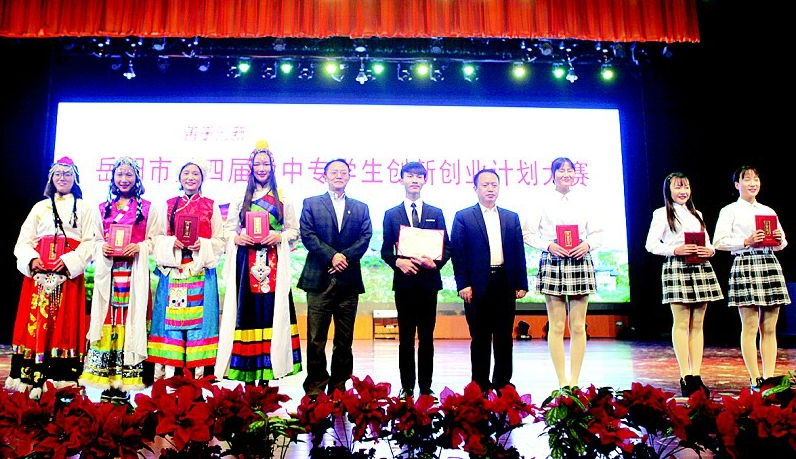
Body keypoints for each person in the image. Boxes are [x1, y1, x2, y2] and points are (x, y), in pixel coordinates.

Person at [215, 140, 303, 385]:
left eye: (266, 164)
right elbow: (228, 230)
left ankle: (268, 374)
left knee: (271, 313)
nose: (261, 168)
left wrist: (279, 236)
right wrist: (236, 238)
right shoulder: (240, 197)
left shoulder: (283, 197)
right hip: (246, 264)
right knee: (249, 313)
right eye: (257, 164)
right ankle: (248, 375)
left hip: (274, 261)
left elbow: (294, 230)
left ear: (272, 167)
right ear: (251, 167)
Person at [7, 157, 94, 399]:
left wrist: (69, 261)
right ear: (51, 178)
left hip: (67, 276)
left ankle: (61, 379)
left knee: (65, 324)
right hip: (39, 275)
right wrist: (32, 260)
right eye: (58, 174)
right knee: (35, 323)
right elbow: (24, 241)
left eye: (67, 174)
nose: (62, 178)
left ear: (75, 179)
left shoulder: (85, 209)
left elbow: (90, 242)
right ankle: (30, 379)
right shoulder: (40, 207)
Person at [79, 157, 161, 402]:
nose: (124, 179)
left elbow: (155, 241)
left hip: (134, 276)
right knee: (108, 321)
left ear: (137, 178)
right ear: (113, 178)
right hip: (109, 276)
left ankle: (126, 385)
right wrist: (101, 247)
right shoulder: (102, 208)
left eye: (129, 174)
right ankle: (107, 383)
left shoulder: (148, 208)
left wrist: (139, 247)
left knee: (131, 321)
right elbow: (94, 239)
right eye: (120, 174)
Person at [523, 157, 603, 389]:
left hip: (579, 259)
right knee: (556, 325)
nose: (566, 174)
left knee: (578, 326)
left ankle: (575, 380)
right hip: (553, 259)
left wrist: (587, 245)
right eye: (561, 170)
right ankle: (562, 381)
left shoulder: (585, 200)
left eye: (570, 170)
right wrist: (549, 245)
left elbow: (597, 233)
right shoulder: (541, 200)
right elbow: (527, 233)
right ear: (553, 174)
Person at [298, 158, 373, 399]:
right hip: (319, 279)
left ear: (349, 176)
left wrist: (344, 258)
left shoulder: (360, 207)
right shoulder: (311, 203)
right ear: (325, 176)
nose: (339, 175)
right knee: (315, 338)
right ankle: (315, 387)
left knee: (344, 340)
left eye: (343, 172)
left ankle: (339, 387)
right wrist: (332, 256)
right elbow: (308, 235)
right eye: (334, 172)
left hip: (348, 281)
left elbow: (365, 237)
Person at [645, 172, 724, 397]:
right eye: (678, 187)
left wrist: (710, 251)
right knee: (681, 323)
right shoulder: (661, 214)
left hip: (700, 266)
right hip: (676, 266)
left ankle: (696, 374)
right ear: (668, 191)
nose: (683, 191)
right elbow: (651, 245)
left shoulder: (697, 214)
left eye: (686, 187)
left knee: (698, 324)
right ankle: (685, 375)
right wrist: (675, 250)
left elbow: (708, 242)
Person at [450, 168, 527, 395]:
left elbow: (518, 252)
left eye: (494, 184)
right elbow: (458, 254)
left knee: (504, 337)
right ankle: (480, 384)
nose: (490, 189)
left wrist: (521, 283)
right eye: (485, 185)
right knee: (480, 337)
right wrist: (463, 284)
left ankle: (503, 383)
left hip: (504, 282)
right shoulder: (464, 217)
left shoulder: (511, 217)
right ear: (475, 188)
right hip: (477, 285)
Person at [713, 166, 790, 391]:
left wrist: (779, 239)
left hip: (769, 262)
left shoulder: (768, 210)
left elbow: (783, 243)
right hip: (745, 262)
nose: (753, 183)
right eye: (747, 179)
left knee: (770, 327)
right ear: (737, 185)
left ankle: (768, 377)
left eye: (756, 179)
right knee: (749, 326)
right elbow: (719, 242)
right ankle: (755, 378)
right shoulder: (729, 211)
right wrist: (746, 241)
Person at [380, 161, 451, 400]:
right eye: (410, 176)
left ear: (424, 180)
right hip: (405, 284)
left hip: (428, 283)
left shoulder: (435, 213)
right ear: (401, 179)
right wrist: (397, 262)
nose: (414, 180)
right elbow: (385, 251)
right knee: (406, 338)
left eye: (419, 177)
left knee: (427, 338)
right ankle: (407, 386)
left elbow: (447, 247)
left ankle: (426, 387)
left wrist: (435, 264)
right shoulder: (391, 214)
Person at [149, 159, 224, 381]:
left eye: (195, 173)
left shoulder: (211, 206)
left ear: (202, 178)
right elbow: (156, 237)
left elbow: (219, 240)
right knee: (170, 323)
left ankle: (199, 378)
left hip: (200, 271)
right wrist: (171, 243)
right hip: (174, 271)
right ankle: (169, 377)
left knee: (200, 323)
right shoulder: (169, 205)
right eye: (186, 173)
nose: (190, 177)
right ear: (179, 177)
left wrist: (204, 245)